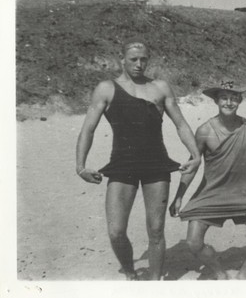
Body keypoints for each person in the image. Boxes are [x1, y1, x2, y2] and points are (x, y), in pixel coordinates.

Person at [75, 38, 201, 280]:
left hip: (156, 164)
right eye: (133, 59)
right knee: (116, 231)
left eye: (143, 59)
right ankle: (131, 273)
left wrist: (195, 154)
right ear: (122, 60)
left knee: (156, 231)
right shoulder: (106, 88)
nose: (139, 64)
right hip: (122, 165)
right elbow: (87, 130)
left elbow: (181, 124)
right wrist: (80, 166)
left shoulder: (160, 87)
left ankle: (154, 284)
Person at [169, 81, 246, 280]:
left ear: (240, 100)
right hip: (211, 193)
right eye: (224, 97)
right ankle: (219, 273)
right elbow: (193, 164)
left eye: (233, 98)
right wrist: (179, 196)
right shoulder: (205, 130)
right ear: (216, 100)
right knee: (193, 243)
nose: (229, 102)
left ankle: (244, 273)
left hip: (243, 193)